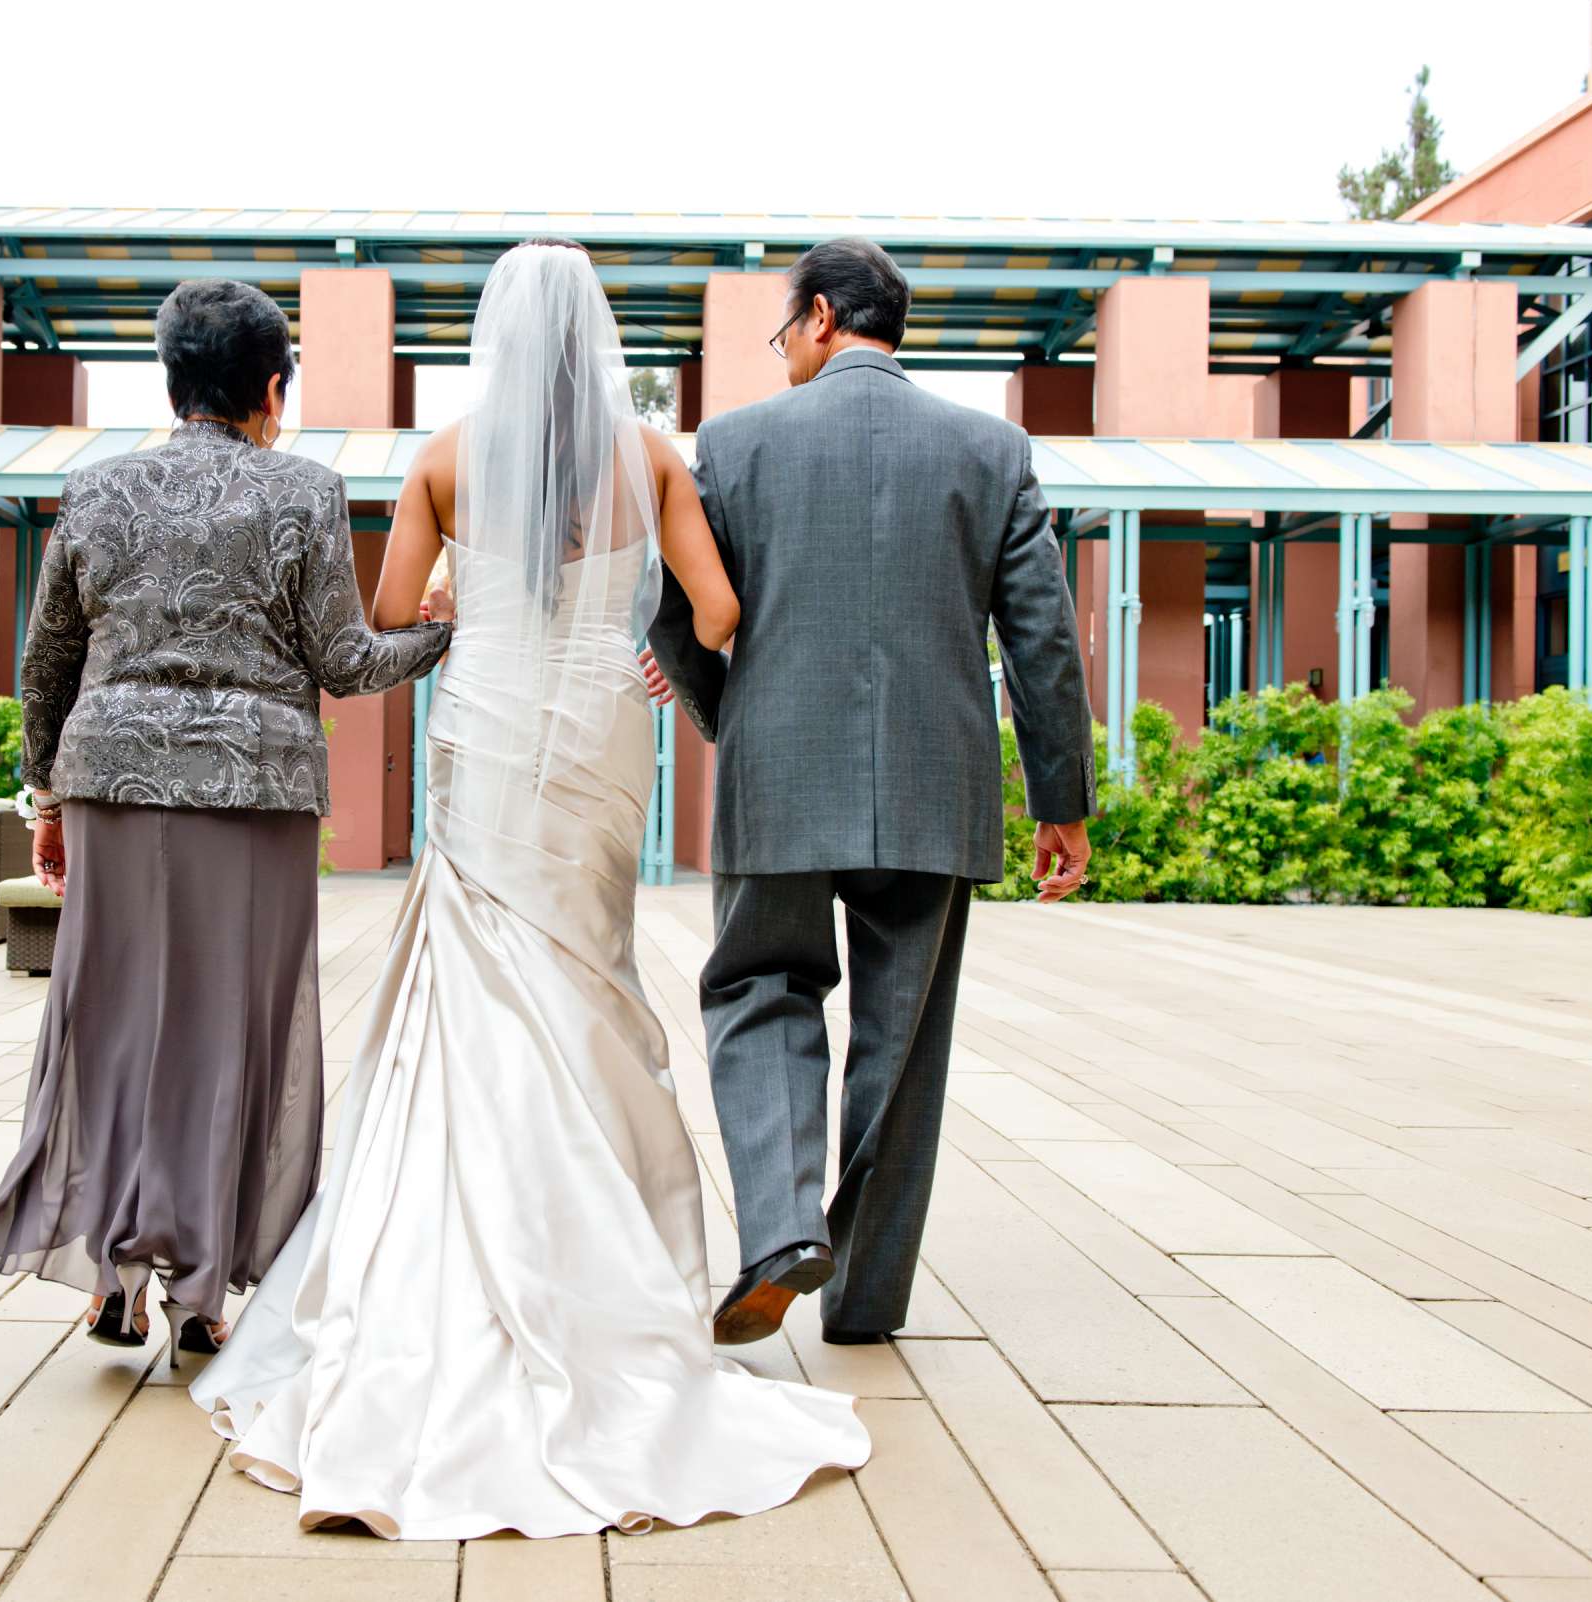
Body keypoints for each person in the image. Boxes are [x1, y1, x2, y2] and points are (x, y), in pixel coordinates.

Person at [191, 242, 868, 1540]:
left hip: (488, 723)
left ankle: (462, 1270)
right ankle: (601, 1274)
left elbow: (390, 617)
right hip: (601, 733)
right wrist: (650, 632)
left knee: (483, 977)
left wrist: (458, 594)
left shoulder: (445, 457)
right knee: (584, 976)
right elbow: (718, 615)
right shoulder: (653, 456)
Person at [0, 279, 450, 1363]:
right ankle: (201, 1299)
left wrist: (51, 800)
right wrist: (441, 635)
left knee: (119, 1025)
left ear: (174, 382)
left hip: (113, 785)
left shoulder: (95, 491)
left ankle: (114, 1272)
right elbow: (345, 661)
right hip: (256, 792)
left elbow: (46, 664)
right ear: (272, 387)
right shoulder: (305, 492)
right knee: (233, 1031)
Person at [642, 238, 1096, 1349]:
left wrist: (731, 716)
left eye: (784, 328)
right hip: (938, 790)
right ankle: (866, 1303)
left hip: (779, 776)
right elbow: (1042, 637)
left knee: (759, 990)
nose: (783, 349)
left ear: (824, 318)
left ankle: (784, 1226)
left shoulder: (736, 445)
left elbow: (675, 610)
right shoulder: (993, 451)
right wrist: (1061, 800)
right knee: (904, 1041)